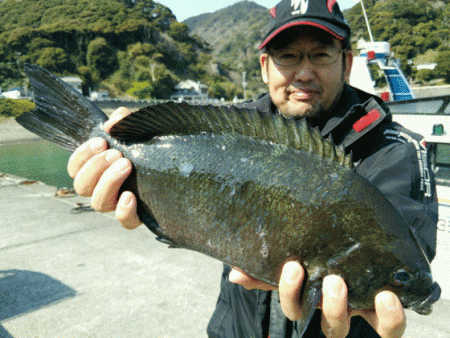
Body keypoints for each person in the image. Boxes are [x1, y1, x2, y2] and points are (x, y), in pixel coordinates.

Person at [67, 0, 438, 337]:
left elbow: (409, 240)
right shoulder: (233, 125)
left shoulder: (396, 149)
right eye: (288, 56)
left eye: (322, 55)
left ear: (347, 63)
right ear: (265, 67)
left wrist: (401, 282)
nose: (304, 73)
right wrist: (120, 158)